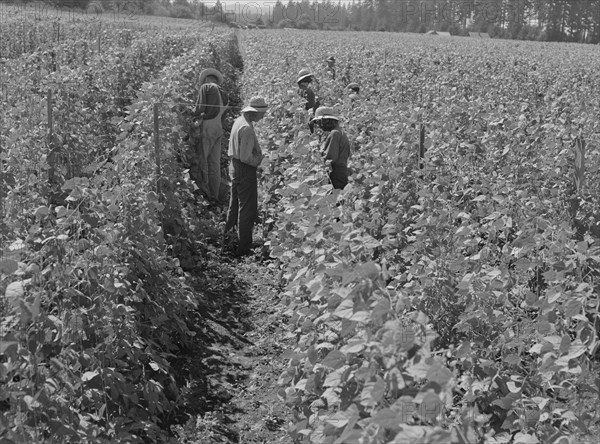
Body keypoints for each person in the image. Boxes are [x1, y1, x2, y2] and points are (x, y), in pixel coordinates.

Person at [224, 97, 268, 257]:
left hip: (234, 167)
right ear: (253, 113)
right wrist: (261, 161)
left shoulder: (239, 121)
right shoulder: (248, 129)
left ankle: (228, 238)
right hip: (244, 169)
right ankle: (244, 248)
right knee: (246, 208)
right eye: (261, 113)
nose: (262, 116)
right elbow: (245, 157)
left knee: (234, 204)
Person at [192, 68, 228, 203]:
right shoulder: (224, 93)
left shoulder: (206, 87)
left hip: (207, 128)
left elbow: (199, 108)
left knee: (202, 161)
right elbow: (223, 115)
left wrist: (189, 113)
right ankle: (215, 194)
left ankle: (204, 195)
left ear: (207, 79)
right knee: (214, 164)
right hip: (218, 129)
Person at [313, 106, 351, 190]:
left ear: (326, 121)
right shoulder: (340, 131)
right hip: (342, 170)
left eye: (319, 122)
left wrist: (318, 155)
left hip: (336, 171)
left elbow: (330, 157)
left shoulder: (334, 134)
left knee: (336, 198)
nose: (319, 126)